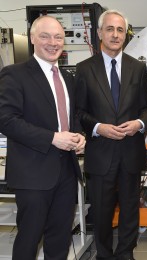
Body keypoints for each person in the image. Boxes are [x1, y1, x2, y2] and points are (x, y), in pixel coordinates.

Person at [0, 16, 86, 259]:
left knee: (60, 239)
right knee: (29, 239)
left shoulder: (67, 78)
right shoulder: (15, 74)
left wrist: (79, 136)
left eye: (58, 37)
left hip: (67, 172)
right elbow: (6, 120)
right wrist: (52, 138)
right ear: (32, 39)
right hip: (33, 174)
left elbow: (71, 117)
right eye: (45, 36)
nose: (53, 42)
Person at [75, 10, 147, 260]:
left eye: (120, 30)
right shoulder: (84, 69)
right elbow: (79, 112)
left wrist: (139, 124)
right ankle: (105, 255)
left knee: (130, 209)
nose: (115, 34)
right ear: (99, 33)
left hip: (130, 151)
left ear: (125, 35)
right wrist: (99, 128)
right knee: (101, 211)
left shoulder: (138, 67)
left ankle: (126, 253)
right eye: (110, 29)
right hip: (101, 153)